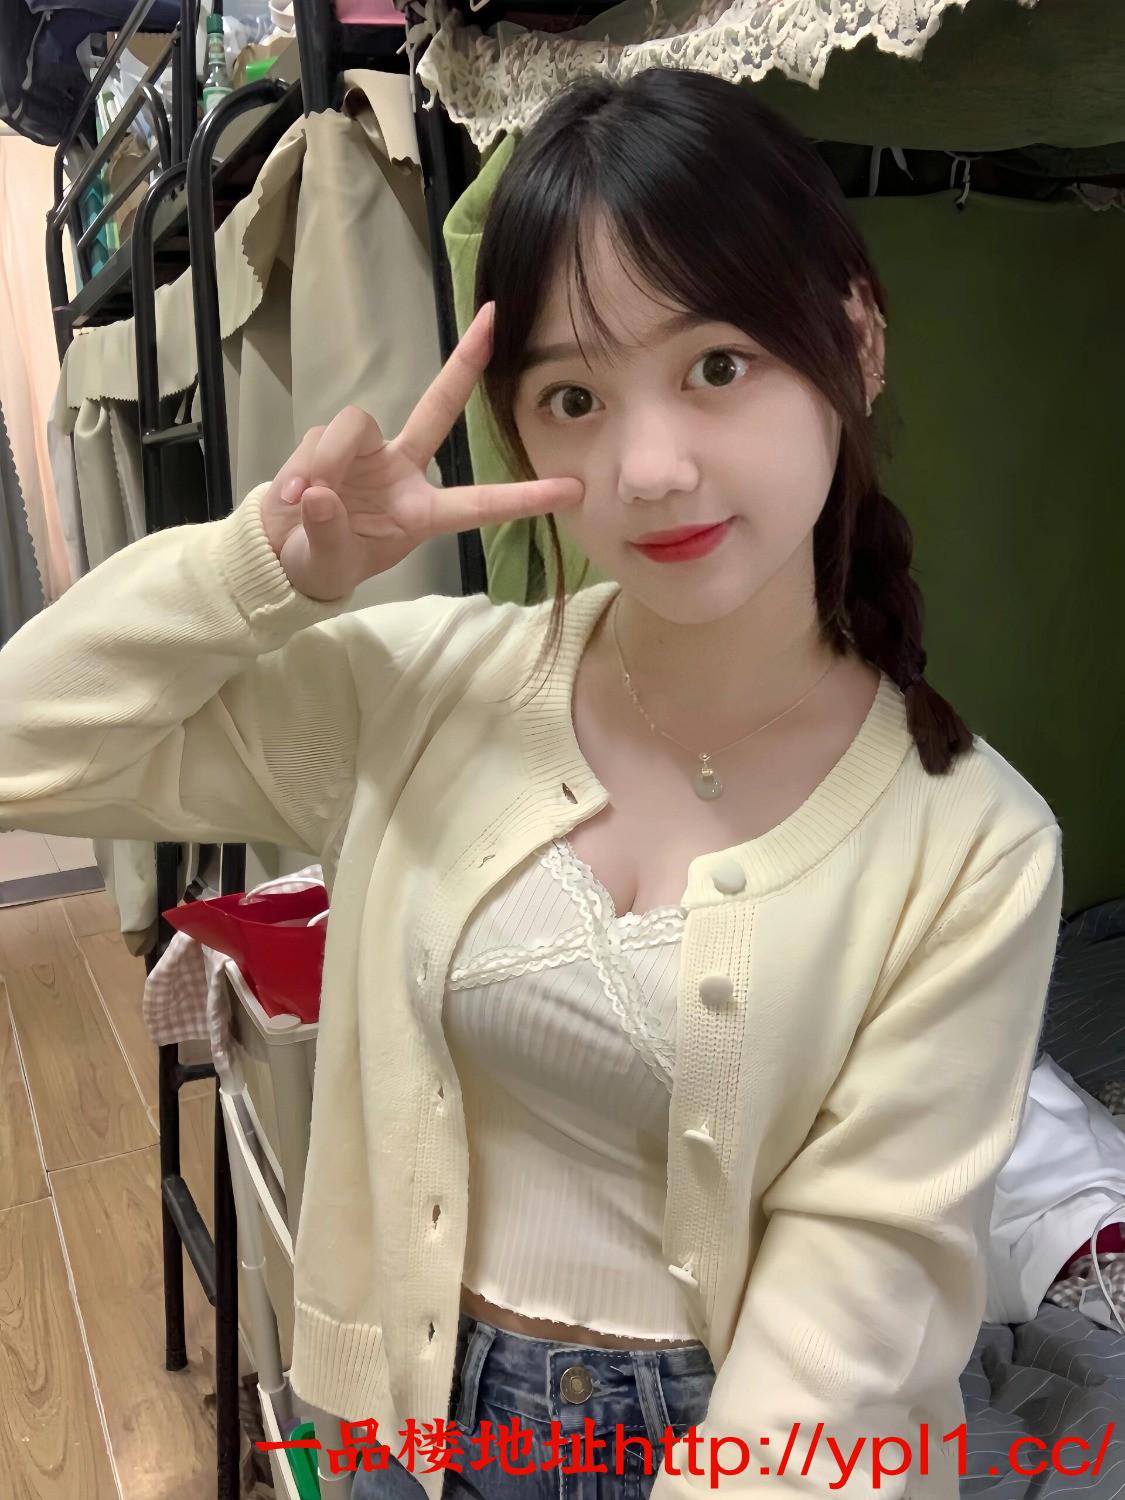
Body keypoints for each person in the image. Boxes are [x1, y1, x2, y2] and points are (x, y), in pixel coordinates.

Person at [0, 69, 1063, 1500]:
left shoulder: (974, 845)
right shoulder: (429, 690)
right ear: (516, 427)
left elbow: (852, 1308)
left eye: (717, 365)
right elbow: (24, 745)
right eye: (574, 396)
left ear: (854, 339)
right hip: (406, 1423)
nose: (650, 467)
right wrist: (265, 569)